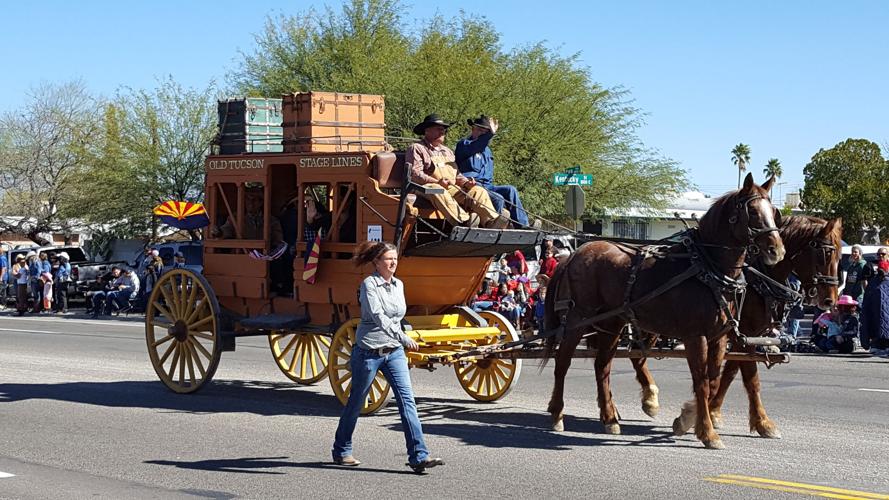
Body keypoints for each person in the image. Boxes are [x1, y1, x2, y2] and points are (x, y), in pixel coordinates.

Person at [332, 241, 444, 473]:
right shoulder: (368, 284)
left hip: (393, 353)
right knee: (356, 403)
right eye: (388, 259)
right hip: (368, 352)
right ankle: (342, 449)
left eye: (395, 259)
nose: (393, 263)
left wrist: (404, 336)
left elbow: (398, 316)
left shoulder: (398, 285)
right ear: (376, 262)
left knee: (408, 402)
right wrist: (403, 337)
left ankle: (418, 456)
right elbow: (378, 316)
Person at [405, 114, 509, 229]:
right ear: (427, 130)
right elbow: (415, 174)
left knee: (478, 191)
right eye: (439, 129)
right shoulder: (417, 148)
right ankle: (464, 222)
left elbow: (456, 174)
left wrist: (466, 183)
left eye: (444, 130)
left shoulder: (447, 151)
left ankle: (491, 222)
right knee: (436, 190)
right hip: (423, 187)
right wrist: (437, 181)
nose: (442, 132)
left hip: (450, 186)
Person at [455, 115, 530, 227]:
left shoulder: (487, 151)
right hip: (472, 186)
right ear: (473, 129)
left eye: (485, 132)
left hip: (488, 186)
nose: (482, 134)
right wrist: (490, 134)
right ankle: (494, 226)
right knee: (498, 198)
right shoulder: (464, 145)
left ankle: (523, 226)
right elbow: (477, 145)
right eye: (480, 130)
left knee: (511, 190)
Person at [861, 266, 889, 355]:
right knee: (874, 323)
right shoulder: (873, 281)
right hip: (875, 310)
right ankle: (877, 343)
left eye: (883, 254)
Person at [0, 244, 8, 310]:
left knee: (2, 292)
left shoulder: (2, 258)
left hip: (2, 278)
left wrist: (1, 277)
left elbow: (4, 268)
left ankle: (3, 305)